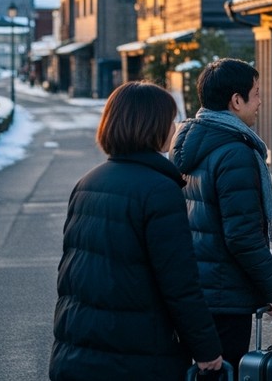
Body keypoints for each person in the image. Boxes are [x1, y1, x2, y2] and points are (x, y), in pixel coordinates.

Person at [50, 81, 225, 381]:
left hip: (77, 348)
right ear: (152, 125)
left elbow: (72, 273)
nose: (174, 127)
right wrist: (207, 349)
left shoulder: (87, 183)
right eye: (170, 119)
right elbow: (179, 282)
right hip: (134, 356)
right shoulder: (159, 189)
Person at [172, 58, 272, 368]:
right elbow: (242, 234)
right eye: (256, 92)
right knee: (225, 370)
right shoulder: (234, 151)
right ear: (236, 101)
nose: (261, 101)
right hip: (225, 295)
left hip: (194, 287)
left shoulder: (190, 140)